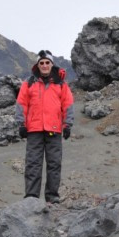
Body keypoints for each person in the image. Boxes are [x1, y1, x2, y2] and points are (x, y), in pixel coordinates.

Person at [15, 50, 74, 203]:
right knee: (33, 163)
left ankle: (52, 196)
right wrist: (21, 124)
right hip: (34, 130)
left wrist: (67, 125)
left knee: (54, 164)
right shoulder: (29, 83)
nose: (44, 65)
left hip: (54, 129)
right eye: (41, 63)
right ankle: (32, 196)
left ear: (52, 64)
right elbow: (21, 104)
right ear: (38, 65)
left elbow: (67, 105)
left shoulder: (61, 84)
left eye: (47, 62)